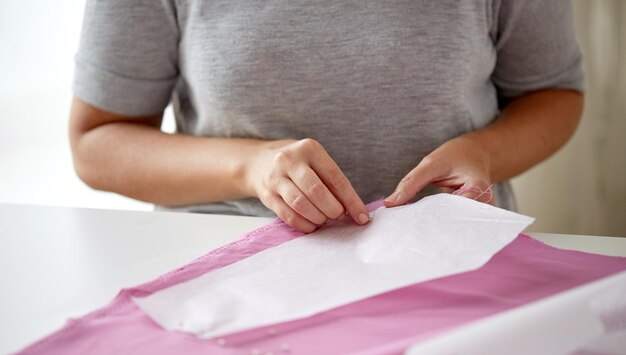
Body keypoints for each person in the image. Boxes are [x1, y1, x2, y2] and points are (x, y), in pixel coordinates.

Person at [69, 0, 584, 233]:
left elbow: (553, 93)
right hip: (226, 272)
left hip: (453, 261)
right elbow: (97, 145)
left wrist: (485, 152)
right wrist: (250, 167)